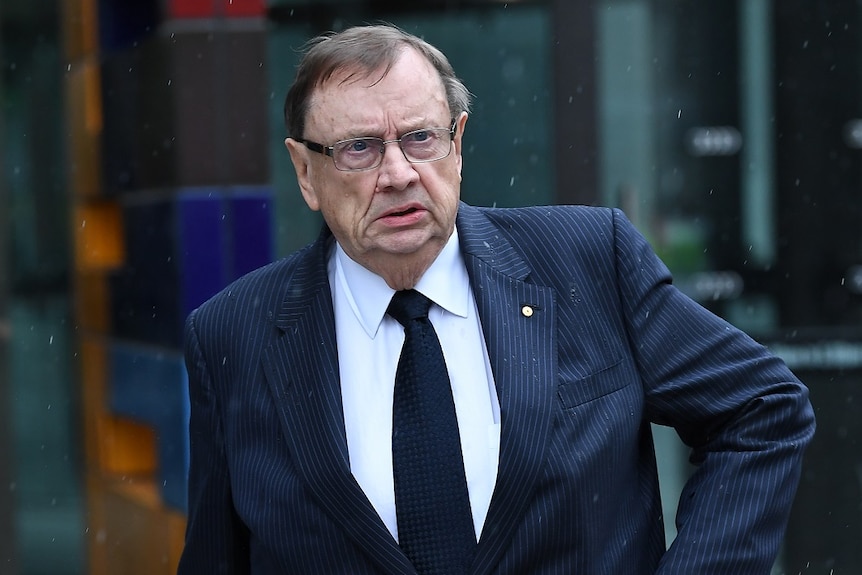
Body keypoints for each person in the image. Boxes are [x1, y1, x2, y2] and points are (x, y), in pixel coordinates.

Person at [177, 24, 815, 575]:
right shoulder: (233, 335)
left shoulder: (587, 260)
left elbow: (761, 409)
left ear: (457, 142)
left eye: (420, 137)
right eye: (358, 148)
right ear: (304, 172)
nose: (397, 173)